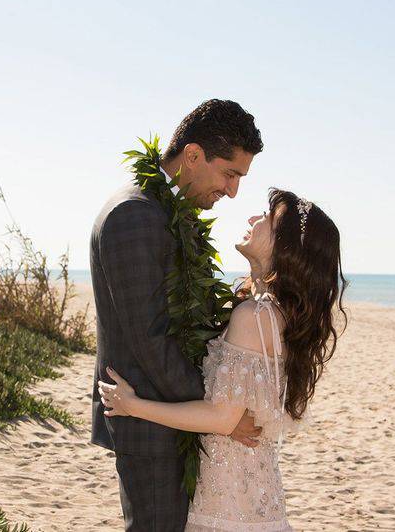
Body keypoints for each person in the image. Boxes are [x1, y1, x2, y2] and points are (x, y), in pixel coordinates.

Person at [99, 189, 348, 531]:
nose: (252, 220)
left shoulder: (254, 315)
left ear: (285, 247)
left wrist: (134, 406)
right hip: (253, 495)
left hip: (228, 504)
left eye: (267, 218)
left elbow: (222, 416)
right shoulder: (280, 315)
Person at [89, 99, 264, 531]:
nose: (233, 190)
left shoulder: (166, 213)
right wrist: (216, 408)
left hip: (172, 416)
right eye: (230, 173)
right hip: (151, 424)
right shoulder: (135, 215)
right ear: (192, 155)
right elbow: (150, 339)